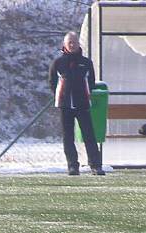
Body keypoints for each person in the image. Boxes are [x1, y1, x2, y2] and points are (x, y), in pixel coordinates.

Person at [49, 31, 105, 176]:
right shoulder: (58, 63)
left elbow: (91, 82)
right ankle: (73, 166)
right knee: (68, 137)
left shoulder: (86, 63)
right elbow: (52, 82)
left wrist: (86, 94)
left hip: (83, 104)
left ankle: (96, 166)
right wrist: (60, 96)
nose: (72, 45)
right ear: (65, 45)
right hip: (65, 105)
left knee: (89, 136)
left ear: (79, 44)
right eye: (70, 43)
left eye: (74, 42)